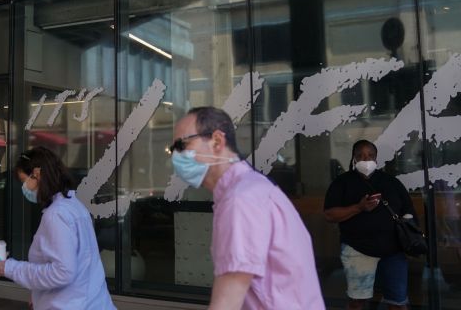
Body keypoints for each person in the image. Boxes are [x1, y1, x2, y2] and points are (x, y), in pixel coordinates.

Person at [171, 107, 324, 309]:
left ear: (217, 141)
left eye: (182, 145)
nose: (175, 155)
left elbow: (227, 302)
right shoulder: (249, 189)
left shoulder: (240, 199)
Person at [0, 146, 115, 310]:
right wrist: (38, 293)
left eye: (24, 181)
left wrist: (9, 268)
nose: (24, 187)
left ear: (37, 175)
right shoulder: (74, 206)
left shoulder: (56, 215)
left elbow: (63, 272)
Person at [324, 140, 416, 310]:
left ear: (376, 158)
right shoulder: (342, 183)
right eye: (360, 156)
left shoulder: (391, 182)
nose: (366, 160)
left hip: (393, 252)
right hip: (357, 250)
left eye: (370, 156)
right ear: (354, 158)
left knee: (398, 302)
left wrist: (409, 239)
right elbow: (330, 215)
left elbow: (409, 212)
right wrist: (359, 207)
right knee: (357, 303)